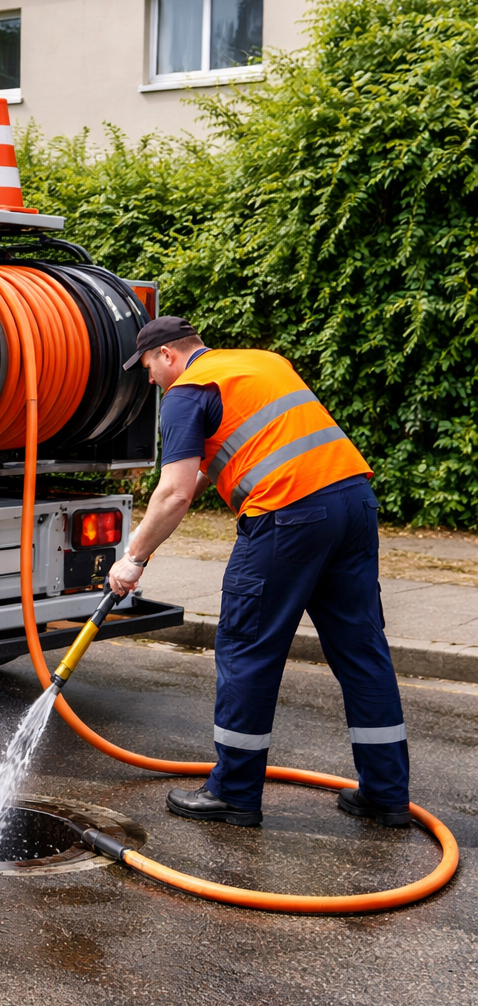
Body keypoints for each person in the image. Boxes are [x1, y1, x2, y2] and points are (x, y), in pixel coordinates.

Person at [105, 316, 410, 828]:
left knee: (247, 648)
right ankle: (386, 795)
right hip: (354, 502)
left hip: (286, 517)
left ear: (168, 356)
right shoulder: (259, 363)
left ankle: (234, 794)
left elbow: (174, 492)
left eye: (149, 369)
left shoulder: (186, 392)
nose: (150, 380)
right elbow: (219, 463)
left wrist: (133, 556)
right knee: (361, 650)